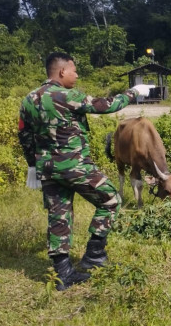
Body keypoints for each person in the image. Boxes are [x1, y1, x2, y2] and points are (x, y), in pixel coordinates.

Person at [18, 52, 147, 291]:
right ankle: (94, 255)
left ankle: (63, 273)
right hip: (74, 166)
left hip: (47, 169)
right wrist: (134, 92)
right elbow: (107, 105)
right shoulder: (67, 95)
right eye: (74, 70)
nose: (77, 75)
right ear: (61, 72)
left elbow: (24, 135)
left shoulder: (29, 99)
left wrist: (32, 166)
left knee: (59, 215)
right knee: (111, 199)